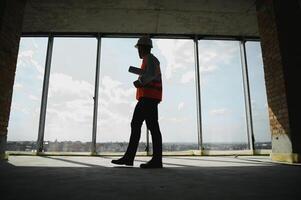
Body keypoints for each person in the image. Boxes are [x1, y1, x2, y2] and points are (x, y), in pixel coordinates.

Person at [111, 36, 163, 168]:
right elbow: (150, 73)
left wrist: (139, 82)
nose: (138, 51)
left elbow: (150, 74)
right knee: (150, 127)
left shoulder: (149, 59)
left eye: (139, 48)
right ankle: (153, 159)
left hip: (148, 98)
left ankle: (133, 158)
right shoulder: (150, 60)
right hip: (150, 98)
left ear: (144, 48)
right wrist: (140, 74)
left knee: (138, 125)